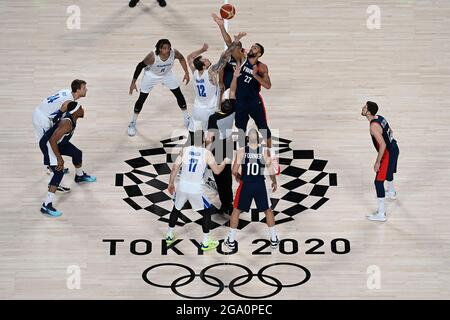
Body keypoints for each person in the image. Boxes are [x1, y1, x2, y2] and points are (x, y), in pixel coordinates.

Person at [212, 13, 279, 174]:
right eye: (253, 46)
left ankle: (270, 155)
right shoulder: (241, 59)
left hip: (254, 101)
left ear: (259, 53)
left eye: (255, 47)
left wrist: (256, 76)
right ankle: (241, 158)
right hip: (241, 102)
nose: (252, 47)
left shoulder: (262, 67)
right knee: (240, 129)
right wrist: (221, 25)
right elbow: (229, 43)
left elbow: (268, 85)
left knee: (264, 128)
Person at [165, 130, 231, 251]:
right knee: (207, 212)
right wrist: (225, 163)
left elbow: (174, 168)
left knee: (176, 209)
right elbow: (216, 171)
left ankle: (169, 235)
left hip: (182, 187)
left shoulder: (185, 150)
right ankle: (206, 242)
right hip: (195, 189)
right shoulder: (206, 153)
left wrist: (170, 183)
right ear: (203, 140)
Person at [224, 128, 279, 250]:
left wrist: (238, 177)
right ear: (259, 139)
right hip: (259, 184)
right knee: (268, 210)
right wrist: (274, 182)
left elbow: (233, 170)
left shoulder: (242, 151)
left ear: (247, 139)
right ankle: (274, 239)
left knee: (236, 211)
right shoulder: (264, 152)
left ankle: (231, 240)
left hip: (246, 185)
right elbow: (270, 169)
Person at [39, 102, 96, 217]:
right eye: (81, 108)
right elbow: (52, 141)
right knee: (59, 172)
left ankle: (79, 176)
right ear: (75, 112)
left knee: (77, 153)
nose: (83, 109)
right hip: (49, 145)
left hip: (60, 143)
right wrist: (59, 159)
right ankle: (46, 204)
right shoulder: (66, 123)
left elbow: (66, 104)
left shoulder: (71, 118)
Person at [186, 33, 246, 137]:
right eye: (205, 60)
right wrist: (235, 42)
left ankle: (192, 151)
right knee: (212, 136)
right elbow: (225, 57)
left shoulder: (195, 71)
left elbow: (189, 57)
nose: (207, 59)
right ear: (204, 66)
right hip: (209, 110)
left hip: (197, 109)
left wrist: (202, 50)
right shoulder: (211, 72)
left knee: (194, 134)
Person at [32, 79, 88, 191]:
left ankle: (52, 167)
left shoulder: (67, 92)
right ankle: (54, 175)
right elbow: (61, 111)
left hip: (41, 112)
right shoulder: (68, 102)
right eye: (84, 88)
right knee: (49, 144)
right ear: (77, 90)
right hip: (43, 119)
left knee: (50, 144)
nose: (86, 89)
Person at [128, 39, 190, 136]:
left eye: (169, 47)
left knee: (179, 95)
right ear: (160, 49)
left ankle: (187, 119)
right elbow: (140, 66)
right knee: (141, 99)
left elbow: (182, 58)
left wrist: (186, 73)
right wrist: (133, 83)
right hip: (151, 76)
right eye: (165, 48)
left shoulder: (174, 53)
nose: (168, 50)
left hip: (167, 75)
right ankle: (132, 123)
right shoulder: (152, 57)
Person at [205, 63, 240, 215]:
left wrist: (206, 152)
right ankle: (228, 202)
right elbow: (232, 91)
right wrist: (235, 77)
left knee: (219, 177)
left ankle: (226, 204)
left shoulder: (213, 118)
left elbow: (210, 138)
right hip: (229, 144)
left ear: (221, 105)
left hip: (218, 146)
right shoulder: (233, 111)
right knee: (226, 176)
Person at [361, 101, 400, 222]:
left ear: (368, 112)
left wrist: (378, 161)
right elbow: (391, 131)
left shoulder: (373, 126)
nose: (362, 108)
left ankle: (381, 213)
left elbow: (382, 145)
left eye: (365, 107)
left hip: (387, 153)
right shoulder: (380, 117)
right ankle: (391, 192)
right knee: (389, 173)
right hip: (394, 148)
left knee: (378, 182)